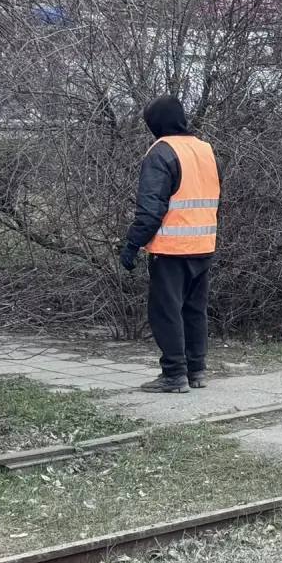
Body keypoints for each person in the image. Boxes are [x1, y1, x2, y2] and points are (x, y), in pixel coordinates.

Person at [119, 95, 221, 392]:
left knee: (166, 311)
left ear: (156, 123)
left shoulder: (161, 153)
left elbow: (151, 210)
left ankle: (174, 374)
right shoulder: (206, 150)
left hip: (171, 249)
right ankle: (196, 370)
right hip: (203, 245)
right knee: (194, 310)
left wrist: (132, 245)